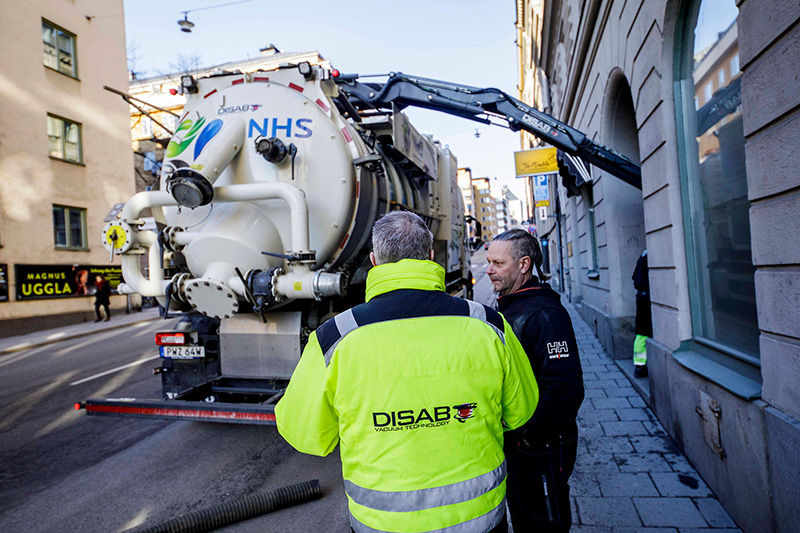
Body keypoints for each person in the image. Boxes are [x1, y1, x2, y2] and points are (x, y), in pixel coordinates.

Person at [276, 211, 539, 533]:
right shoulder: (489, 324)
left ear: (374, 260)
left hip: (383, 523)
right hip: (480, 519)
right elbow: (521, 411)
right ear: (430, 256)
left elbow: (305, 434)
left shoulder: (335, 338)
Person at [486, 229, 585, 532]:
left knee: (544, 522)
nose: (489, 270)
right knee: (525, 514)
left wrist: (531, 438)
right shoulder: (511, 304)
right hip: (521, 443)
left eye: (498, 263)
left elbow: (565, 389)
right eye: (489, 262)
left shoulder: (543, 314)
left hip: (541, 445)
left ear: (524, 264)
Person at [632, 250, 652, 378]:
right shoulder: (648, 257)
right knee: (643, 332)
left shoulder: (641, 256)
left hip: (640, 295)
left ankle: (639, 364)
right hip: (646, 295)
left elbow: (634, 276)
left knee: (641, 332)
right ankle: (640, 366)